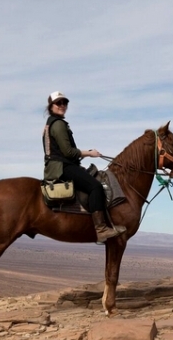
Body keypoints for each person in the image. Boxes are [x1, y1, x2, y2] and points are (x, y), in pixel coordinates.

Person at [42, 91, 126, 244]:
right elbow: (68, 152)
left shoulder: (50, 123)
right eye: (58, 103)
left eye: (64, 103)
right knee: (95, 187)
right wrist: (89, 153)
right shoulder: (58, 124)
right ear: (51, 106)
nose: (62, 106)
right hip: (61, 167)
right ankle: (101, 230)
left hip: (58, 165)